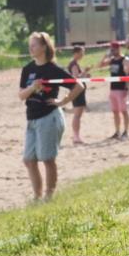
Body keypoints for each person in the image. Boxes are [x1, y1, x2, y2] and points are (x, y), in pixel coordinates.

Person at [18, 32, 84, 201]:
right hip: (31, 118)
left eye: (34, 44)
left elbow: (78, 86)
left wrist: (63, 101)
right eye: (30, 45)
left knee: (47, 158)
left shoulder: (53, 69)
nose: (30, 48)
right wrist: (33, 87)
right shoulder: (28, 69)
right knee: (29, 160)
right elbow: (21, 95)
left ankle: (49, 195)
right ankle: (37, 195)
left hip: (49, 117)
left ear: (44, 47)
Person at [99, 41, 129, 139]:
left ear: (118, 49)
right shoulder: (112, 60)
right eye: (111, 49)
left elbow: (128, 71)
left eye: (114, 49)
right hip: (113, 89)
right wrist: (105, 55)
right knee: (115, 111)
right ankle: (117, 132)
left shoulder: (124, 59)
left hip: (121, 89)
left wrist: (127, 88)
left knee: (124, 111)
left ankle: (126, 132)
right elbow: (101, 65)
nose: (112, 51)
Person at [66, 46, 90, 145]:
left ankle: (76, 136)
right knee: (77, 115)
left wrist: (85, 75)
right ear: (76, 53)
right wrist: (85, 72)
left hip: (78, 91)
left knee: (78, 114)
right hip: (78, 91)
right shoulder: (74, 64)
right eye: (81, 53)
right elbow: (76, 78)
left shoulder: (74, 64)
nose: (82, 55)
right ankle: (76, 137)